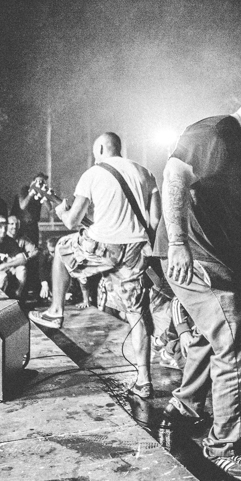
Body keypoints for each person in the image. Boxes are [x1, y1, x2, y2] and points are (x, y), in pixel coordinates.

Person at [155, 81, 241, 481]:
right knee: (235, 341)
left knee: (210, 337)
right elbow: (174, 177)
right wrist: (178, 243)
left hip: (214, 259)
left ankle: (184, 407)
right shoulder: (215, 132)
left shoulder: (238, 144)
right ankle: (225, 448)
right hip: (199, 258)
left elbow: (228, 207)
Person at [29, 133, 160, 397]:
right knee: (137, 315)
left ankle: (55, 311)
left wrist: (60, 209)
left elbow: (72, 221)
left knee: (63, 247)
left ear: (100, 148)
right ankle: (144, 382)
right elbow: (155, 219)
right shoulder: (145, 173)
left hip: (104, 246)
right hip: (136, 248)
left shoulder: (92, 174)